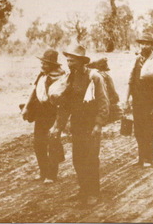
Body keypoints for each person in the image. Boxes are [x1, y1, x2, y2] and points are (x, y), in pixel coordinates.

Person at [49, 45, 109, 206]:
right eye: (67, 60)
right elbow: (65, 105)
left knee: (91, 159)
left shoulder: (94, 77)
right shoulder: (70, 78)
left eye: (72, 60)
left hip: (91, 125)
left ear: (81, 61)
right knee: (78, 159)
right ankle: (83, 190)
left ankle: (93, 193)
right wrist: (58, 126)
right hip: (77, 125)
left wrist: (98, 124)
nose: (69, 63)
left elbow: (104, 103)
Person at [125, 33, 153, 168]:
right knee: (138, 131)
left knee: (148, 130)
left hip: (151, 101)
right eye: (142, 43)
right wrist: (126, 100)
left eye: (147, 43)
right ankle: (141, 158)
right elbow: (131, 80)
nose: (144, 46)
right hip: (137, 101)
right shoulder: (137, 60)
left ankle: (148, 159)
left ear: (152, 45)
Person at [21, 49, 65, 184]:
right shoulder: (42, 75)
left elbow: (63, 99)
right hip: (41, 112)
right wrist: (27, 107)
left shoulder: (61, 78)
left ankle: (51, 174)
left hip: (54, 112)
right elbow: (34, 91)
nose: (42, 65)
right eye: (42, 62)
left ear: (52, 65)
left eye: (45, 63)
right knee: (38, 143)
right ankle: (43, 171)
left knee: (53, 142)